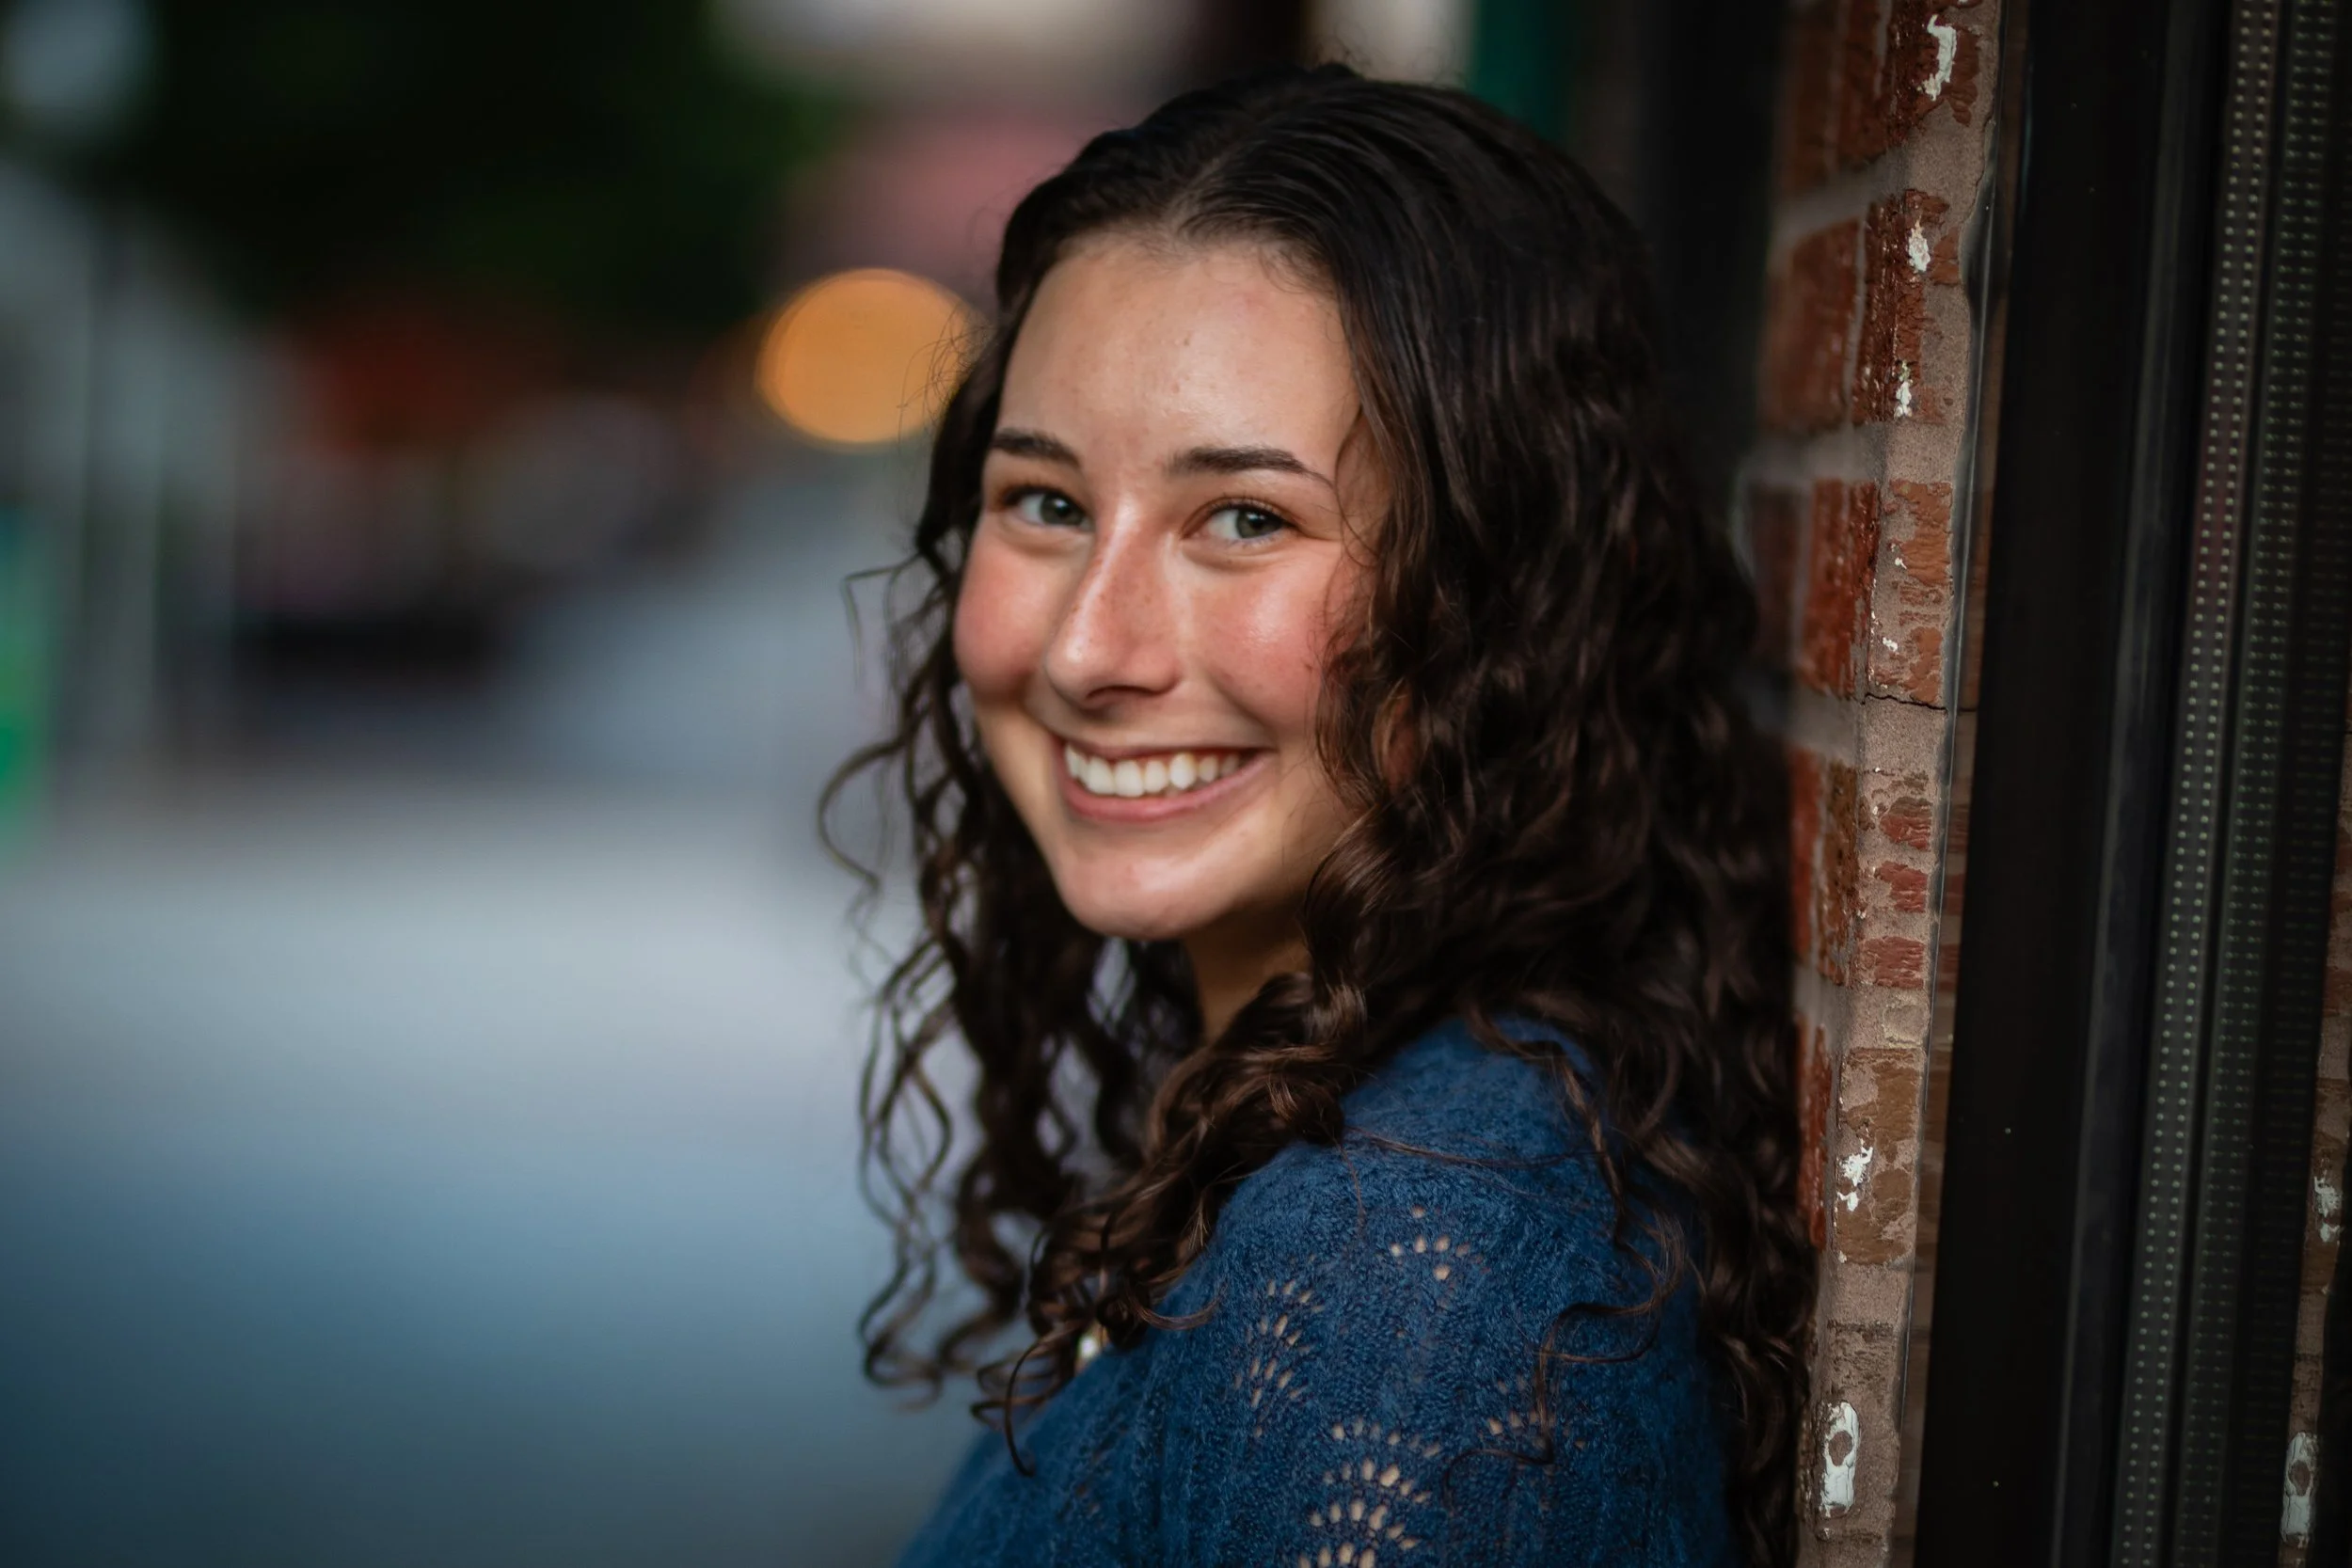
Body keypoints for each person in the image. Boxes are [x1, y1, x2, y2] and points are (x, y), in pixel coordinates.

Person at [826, 63, 1813, 1568]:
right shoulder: (1336, 1125)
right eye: (1046, 502)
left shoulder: (1411, 1278)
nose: (1091, 648)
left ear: (1503, 595)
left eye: (1246, 519)